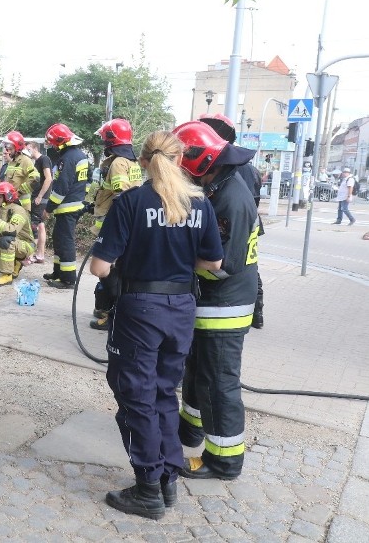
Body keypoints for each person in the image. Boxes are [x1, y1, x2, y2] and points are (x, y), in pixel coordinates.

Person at [90, 130, 223, 520]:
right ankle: (167, 481)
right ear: (181, 159)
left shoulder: (131, 201)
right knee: (165, 394)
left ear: (143, 162)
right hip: (181, 307)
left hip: (140, 310)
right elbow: (213, 263)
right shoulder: (200, 204)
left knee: (136, 397)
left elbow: (99, 266)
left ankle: (147, 489)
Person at [173, 120, 260, 481]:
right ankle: (190, 430)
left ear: (199, 160)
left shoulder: (230, 198)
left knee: (219, 382)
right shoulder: (218, 184)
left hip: (224, 305)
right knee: (198, 373)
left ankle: (223, 459)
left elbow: (223, 264)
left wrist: (173, 259)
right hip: (211, 302)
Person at [199, 113, 265, 329]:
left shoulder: (231, 187)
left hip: (224, 296)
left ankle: (256, 310)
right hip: (237, 271)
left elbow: (226, 262)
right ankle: (257, 312)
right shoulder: (246, 170)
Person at [90, 118, 143, 329]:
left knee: (106, 270)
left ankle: (115, 315)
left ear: (111, 140)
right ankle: (110, 309)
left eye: (105, 139)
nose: (103, 143)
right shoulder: (131, 161)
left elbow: (122, 193)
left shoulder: (118, 163)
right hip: (121, 221)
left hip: (113, 223)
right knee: (115, 269)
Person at [41, 123, 88, 289]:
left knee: (65, 242)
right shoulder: (80, 155)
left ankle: (68, 279)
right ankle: (58, 272)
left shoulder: (67, 159)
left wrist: (49, 208)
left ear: (61, 142)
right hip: (73, 206)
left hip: (67, 208)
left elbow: (62, 188)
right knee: (59, 239)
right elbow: (87, 183)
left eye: (54, 143)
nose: (53, 146)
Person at [0, 181, 35, 287]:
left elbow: (11, 231)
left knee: (7, 241)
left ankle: (7, 275)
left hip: (25, 244)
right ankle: (15, 263)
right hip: (14, 241)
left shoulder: (19, 210)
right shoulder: (1, 209)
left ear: (7, 196)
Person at [25, 140, 53, 265]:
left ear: (35, 148)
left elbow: (49, 178)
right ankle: (40, 255)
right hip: (38, 197)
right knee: (40, 225)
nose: (27, 151)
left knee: (34, 225)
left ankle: (30, 256)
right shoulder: (36, 162)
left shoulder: (44, 159)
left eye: (28, 148)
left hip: (40, 198)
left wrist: (40, 196)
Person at [0, 131, 39, 212]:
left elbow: (35, 179)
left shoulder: (25, 160)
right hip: (10, 205)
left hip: (22, 207)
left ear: (17, 147)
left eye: (10, 148)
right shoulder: (12, 162)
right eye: (7, 148)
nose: (8, 151)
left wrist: (18, 192)